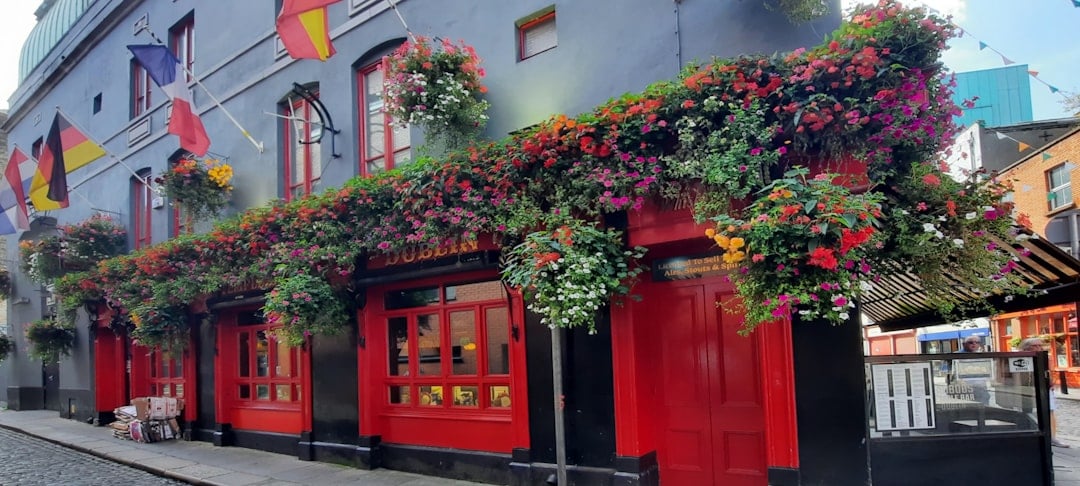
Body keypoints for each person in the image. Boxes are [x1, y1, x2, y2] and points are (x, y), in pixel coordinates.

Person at [1019, 337, 1071, 448]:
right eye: (1035, 346)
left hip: (1045, 389)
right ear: (1026, 347)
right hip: (1028, 390)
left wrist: (1051, 382)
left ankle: (1052, 437)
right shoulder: (1021, 358)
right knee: (1028, 412)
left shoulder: (1044, 357)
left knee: (1050, 412)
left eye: (1040, 345)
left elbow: (1049, 372)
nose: (1039, 347)